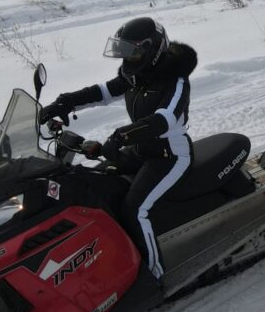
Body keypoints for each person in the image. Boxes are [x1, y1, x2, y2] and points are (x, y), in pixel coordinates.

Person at [41, 17, 198, 288]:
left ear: (153, 50)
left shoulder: (176, 81)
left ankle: (154, 277)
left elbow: (165, 119)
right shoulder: (135, 75)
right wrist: (65, 102)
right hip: (139, 152)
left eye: (133, 51)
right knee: (94, 189)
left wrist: (122, 135)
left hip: (170, 156)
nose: (128, 58)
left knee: (136, 209)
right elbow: (103, 91)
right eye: (124, 51)